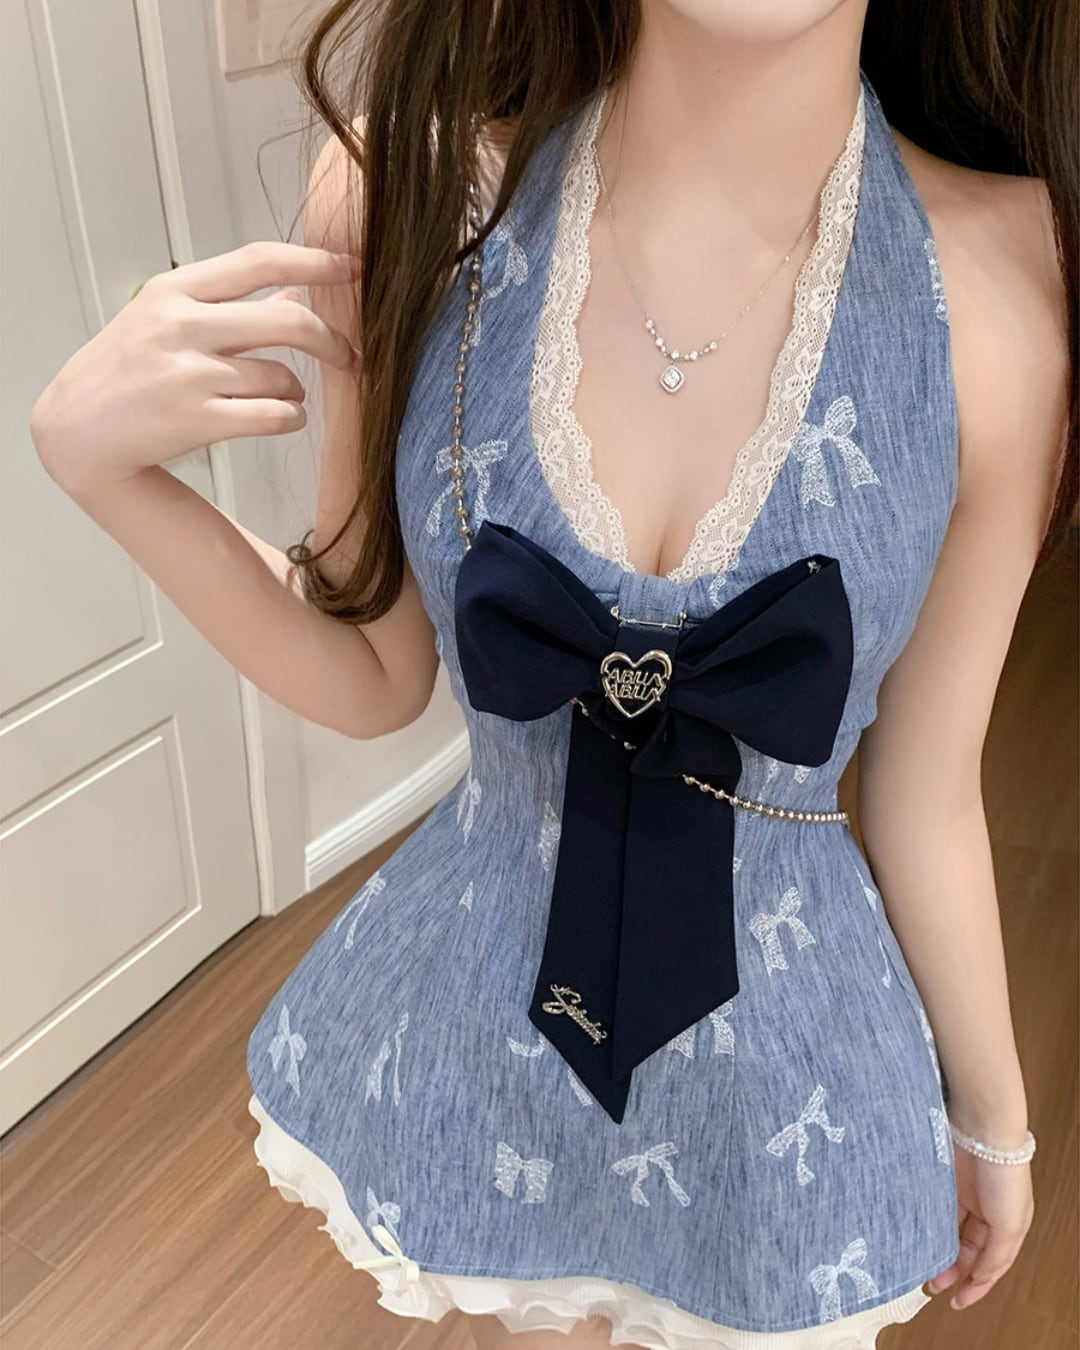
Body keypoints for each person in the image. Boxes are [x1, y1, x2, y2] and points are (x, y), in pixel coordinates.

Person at [29, 1, 1074, 1346]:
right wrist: (106, 472)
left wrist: (995, 1118)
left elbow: (927, 790)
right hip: (482, 1021)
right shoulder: (408, 190)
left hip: (785, 1075)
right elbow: (373, 668)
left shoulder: (1004, 279)